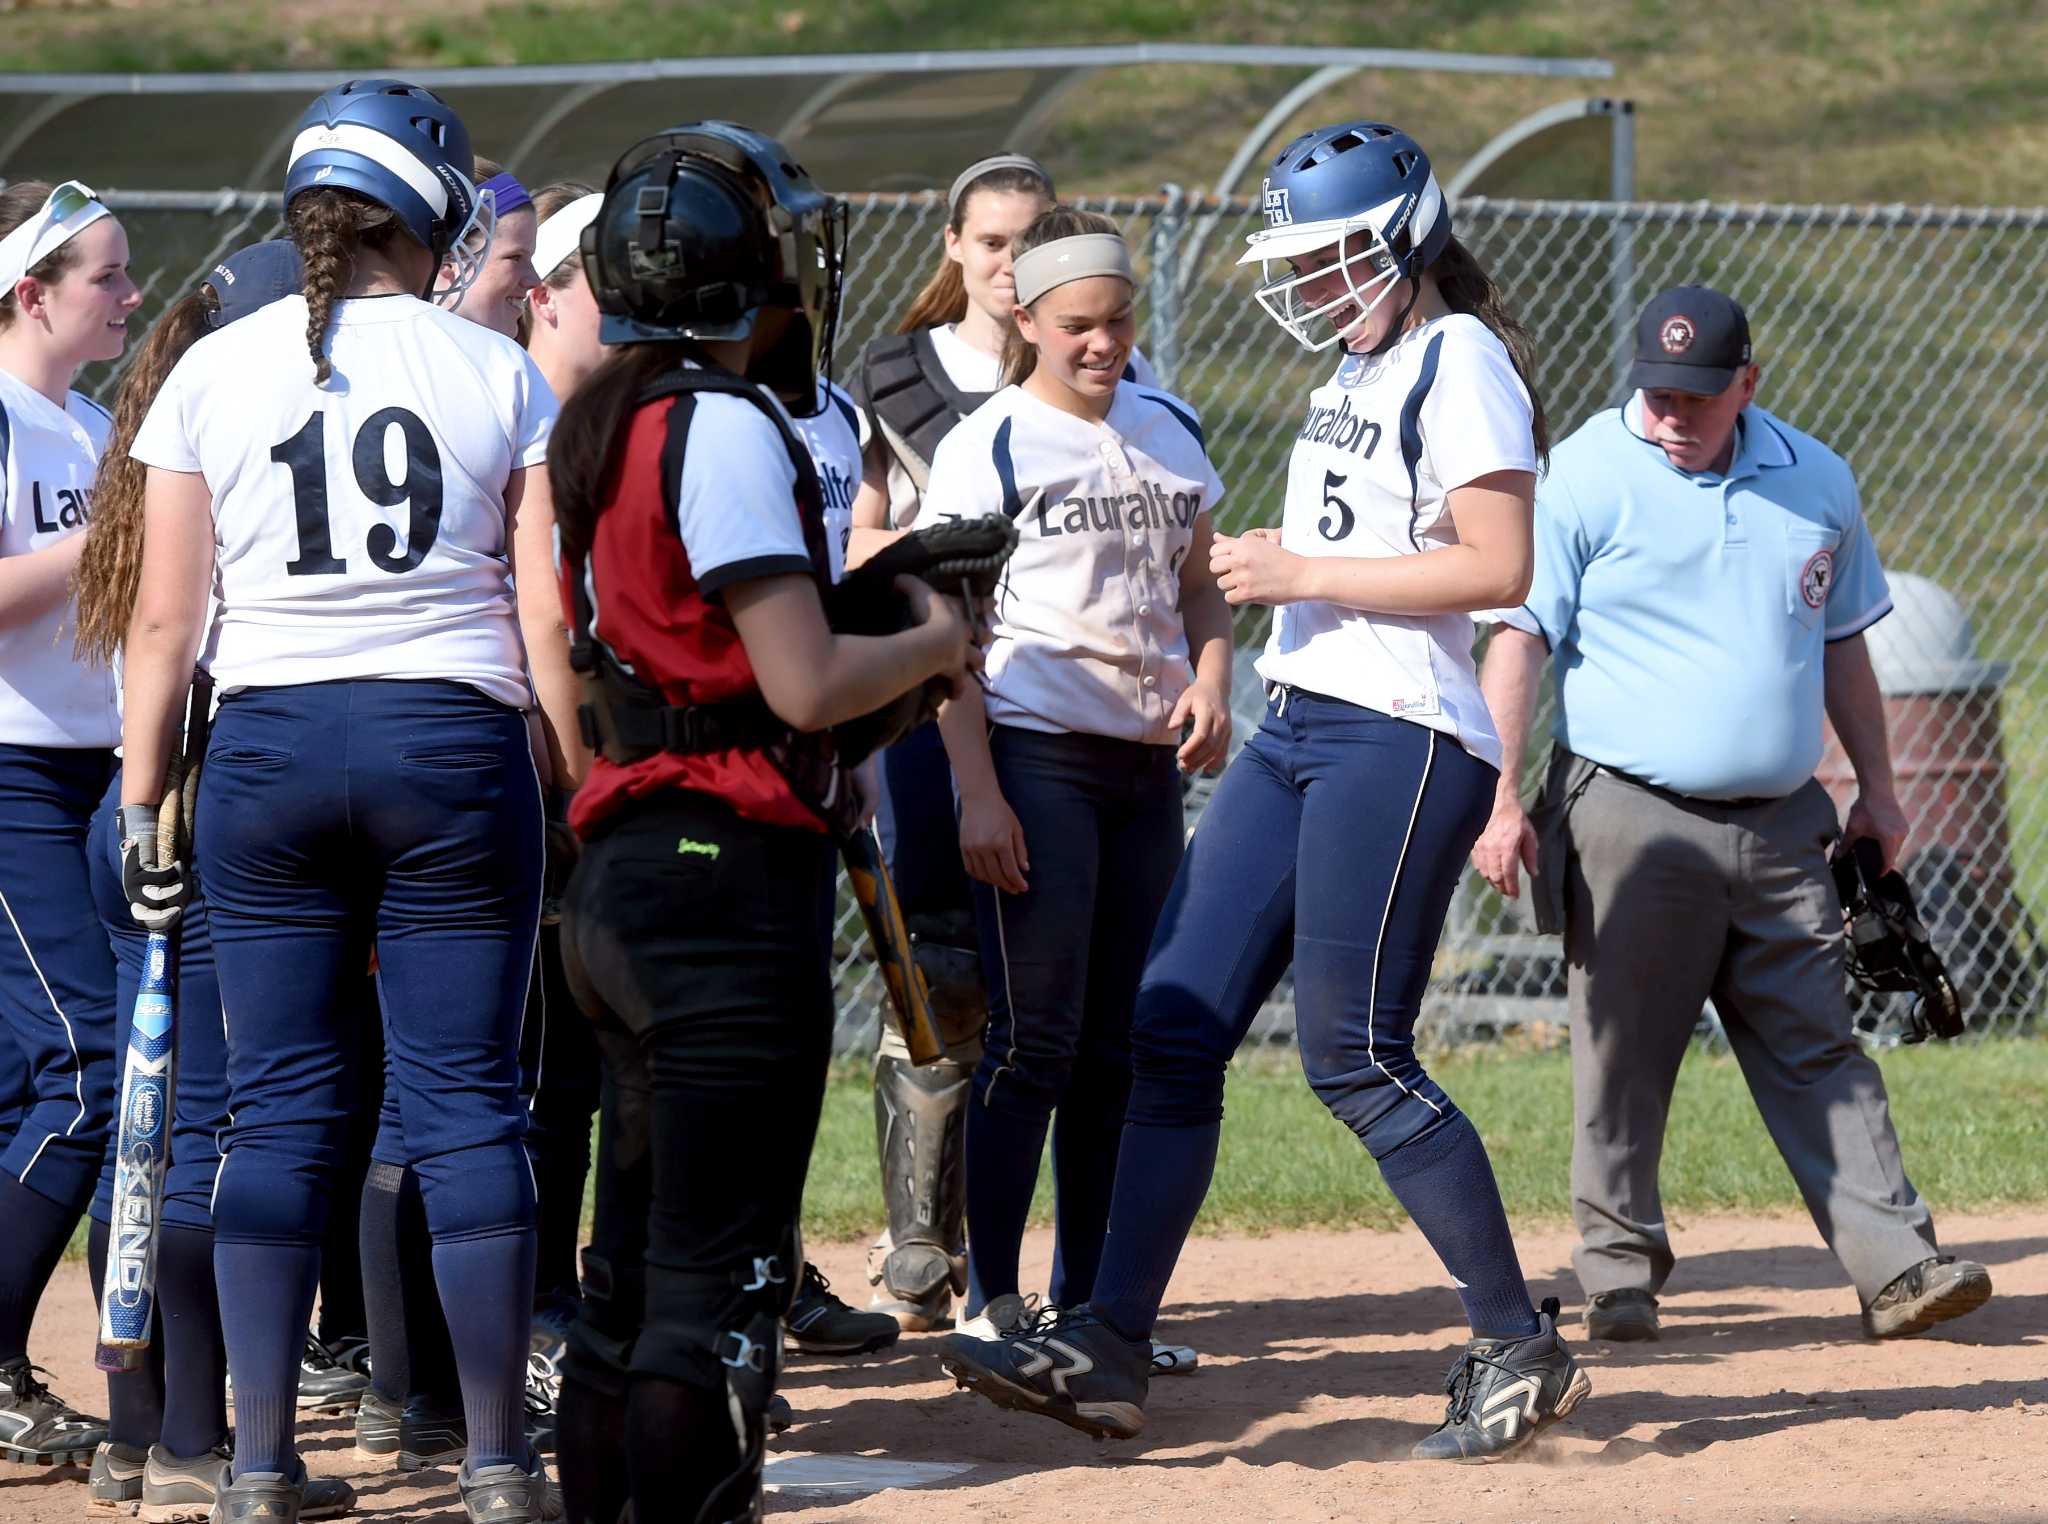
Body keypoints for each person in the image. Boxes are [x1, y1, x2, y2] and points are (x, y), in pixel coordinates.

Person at [940, 122, 1590, 1460]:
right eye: (1301, 258)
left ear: (1407, 238)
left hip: (1401, 734)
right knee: (1170, 1025)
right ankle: (1111, 1339)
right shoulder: (1368, 353)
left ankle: (1515, 1336)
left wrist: (1299, 573)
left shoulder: (1457, 354)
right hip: (1304, 724)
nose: (1313, 282)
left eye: (1337, 254)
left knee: (1354, 1054)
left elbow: (1499, 564)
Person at [119, 78, 571, 1521]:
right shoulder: (495, 366)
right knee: (465, 1104)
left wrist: (142, 799)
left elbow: (163, 627)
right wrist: (561, 769)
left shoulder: (216, 367)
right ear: (431, 210)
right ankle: (496, 1461)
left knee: (274, 1111)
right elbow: (543, 613)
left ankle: (256, 1465)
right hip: (451, 738)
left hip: (266, 750)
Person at [546, 121, 974, 1524]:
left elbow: (684, 663)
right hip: (716, 895)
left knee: (625, 1282)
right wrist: (927, 637)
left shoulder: (597, 415)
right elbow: (797, 679)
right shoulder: (717, 424)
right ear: (744, 275)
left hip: (622, 879)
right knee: (714, 1286)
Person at [1471, 284, 1994, 1344]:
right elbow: (1518, 638)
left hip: (1783, 820)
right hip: (1625, 809)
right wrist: (1496, 793)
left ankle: (1895, 1263)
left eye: (1697, 397)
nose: (1672, 415)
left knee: (1817, 1041)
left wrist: (1876, 792)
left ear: (1746, 385)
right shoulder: (1579, 473)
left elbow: (1844, 641)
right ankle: (1617, 1268)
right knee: (1623, 1045)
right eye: (1656, 394)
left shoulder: (1814, 479)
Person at [846, 150, 1161, 1332]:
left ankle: (1042, 1275)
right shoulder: (893, 376)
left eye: (1027, 242)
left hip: (1058, 720)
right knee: (937, 962)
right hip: (937, 698)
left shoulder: (1104, 375)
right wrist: (933, 555)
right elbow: (861, 536)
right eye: (989, 243)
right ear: (956, 249)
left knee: (1059, 1003)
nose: (1005, 261)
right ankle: (921, 1242)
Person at [70, 238, 357, 1521]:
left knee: (164, 1131)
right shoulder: (243, 453)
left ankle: (143, 1437)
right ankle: (193, 1439)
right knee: (207, 1137)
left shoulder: (168, 447)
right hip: (196, 814)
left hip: (139, 812)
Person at [919, 206, 1232, 1356]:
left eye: (1116, 320)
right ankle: (991, 1299)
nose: (1101, 344)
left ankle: (1097, 1305)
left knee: (1120, 1045)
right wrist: (974, 790)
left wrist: (1210, 680)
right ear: (1029, 322)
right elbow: (945, 633)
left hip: (1143, 770)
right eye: (1076, 327)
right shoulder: (987, 445)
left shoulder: (1169, 425)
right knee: (1032, 1040)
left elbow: (1198, 586)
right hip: (1035, 758)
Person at [0, 174, 137, 1472]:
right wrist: (108, 550)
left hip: (90, 781)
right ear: (30, 291)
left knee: (24, 1085)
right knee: (89, 1069)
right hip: (9, 781)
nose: (129, 294)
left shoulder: (89, 423)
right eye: (106, 274)